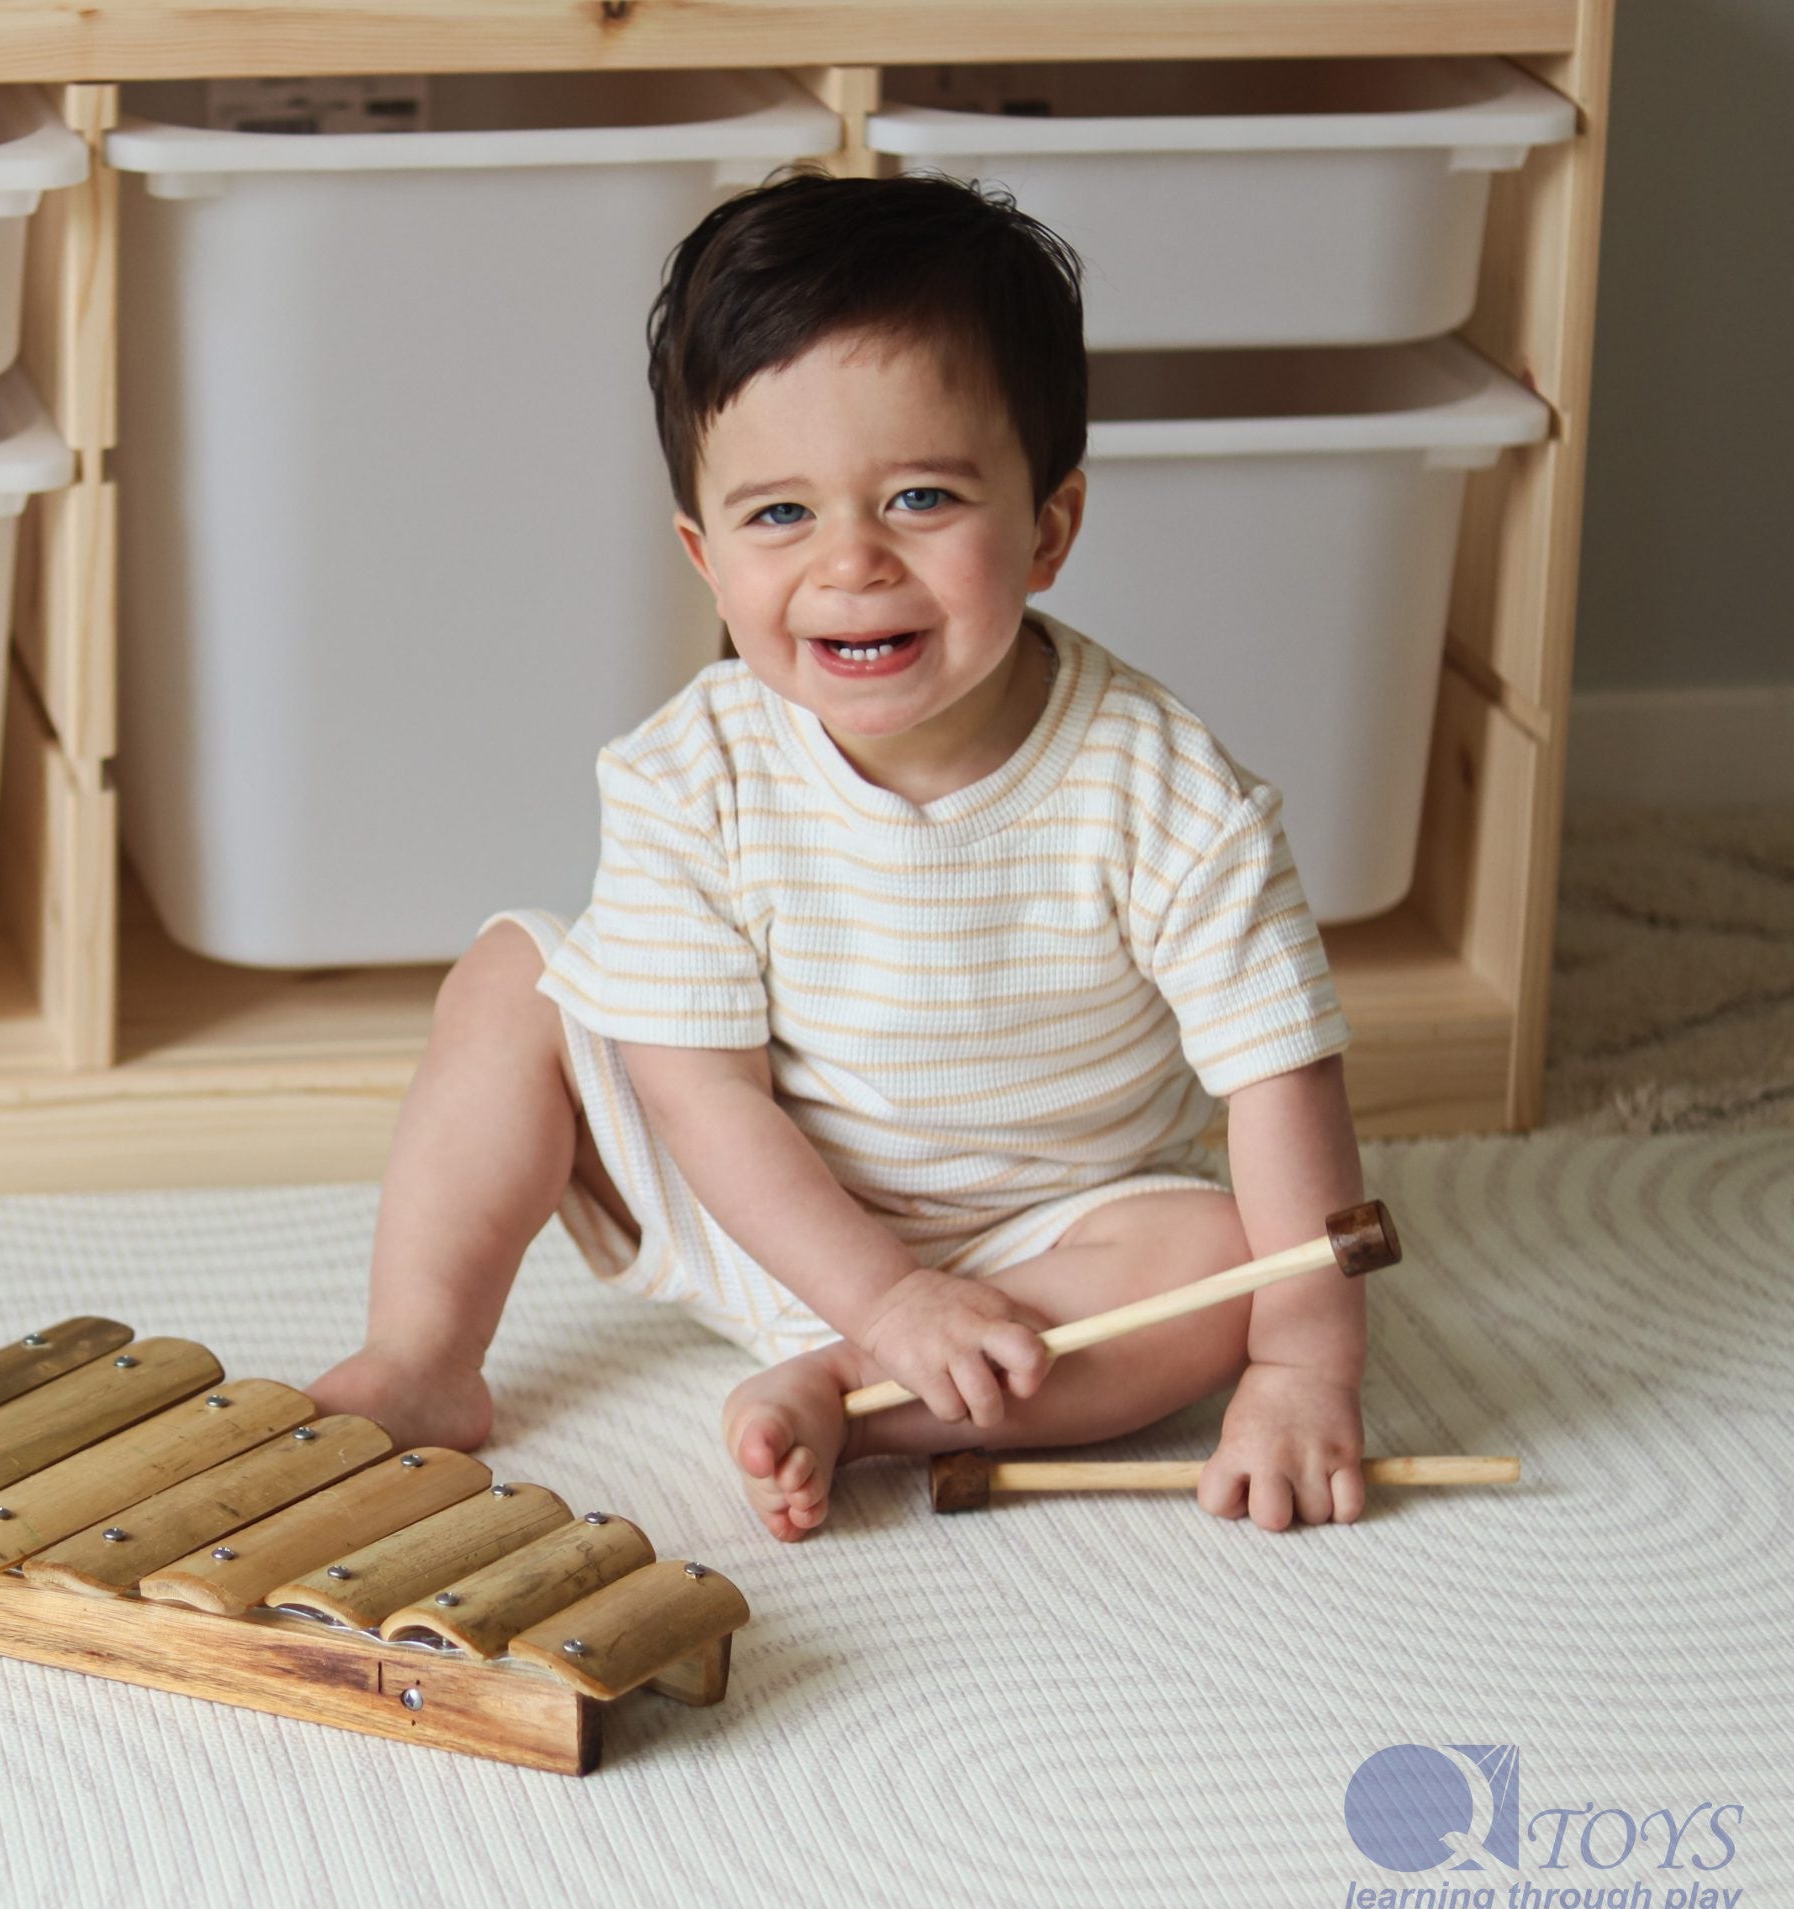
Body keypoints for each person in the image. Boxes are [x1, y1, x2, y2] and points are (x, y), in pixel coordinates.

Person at [310, 168, 1372, 1538]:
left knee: (1221, 1269)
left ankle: (852, 1399)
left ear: (1048, 527)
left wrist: (1304, 1365)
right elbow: (701, 1096)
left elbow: (1284, 1081)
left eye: (922, 497)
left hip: (1045, 1238)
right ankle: (422, 1356)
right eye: (779, 515)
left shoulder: (1168, 795)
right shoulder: (690, 774)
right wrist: (878, 1290)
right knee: (514, 977)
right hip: (749, 1201)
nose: (851, 563)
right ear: (702, 555)